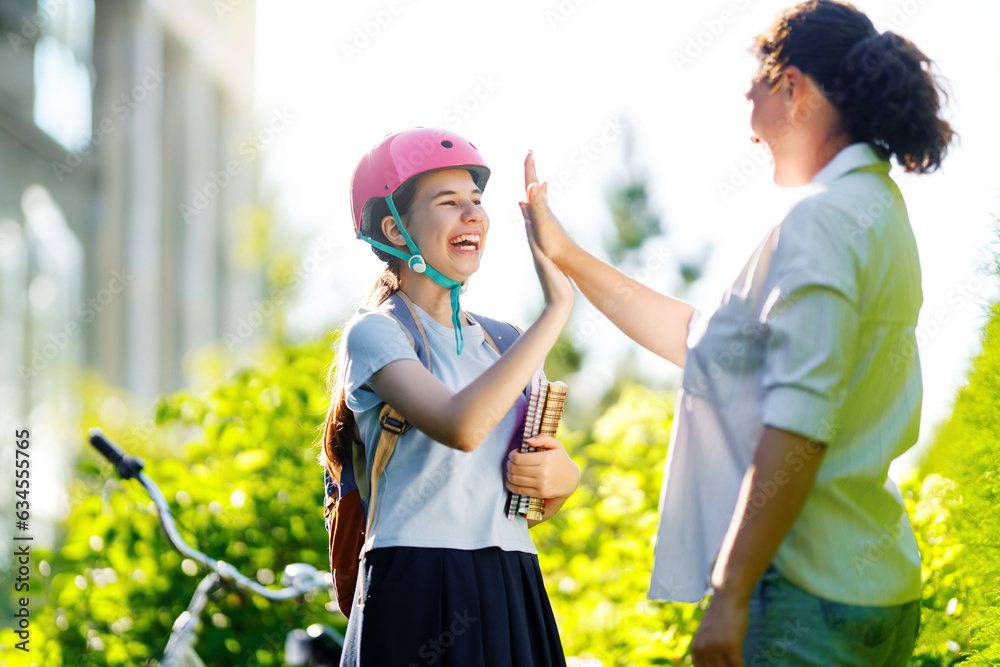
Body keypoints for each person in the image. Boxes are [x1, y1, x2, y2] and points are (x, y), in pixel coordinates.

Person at [519, 1, 954, 664]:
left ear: (792, 88)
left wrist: (729, 590)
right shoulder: (876, 209)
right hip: (872, 584)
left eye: (753, 91)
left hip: (803, 597)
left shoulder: (822, 220)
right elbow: (700, 345)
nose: (750, 127)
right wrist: (569, 254)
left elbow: (800, 423)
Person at [323, 127, 578, 667]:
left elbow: (524, 492)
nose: (473, 215)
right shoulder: (375, 333)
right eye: (448, 202)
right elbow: (460, 427)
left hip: (511, 576)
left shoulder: (503, 341)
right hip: (416, 580)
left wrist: (562, 478)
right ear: (394, 228)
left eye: (477, 201)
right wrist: (557, 307)